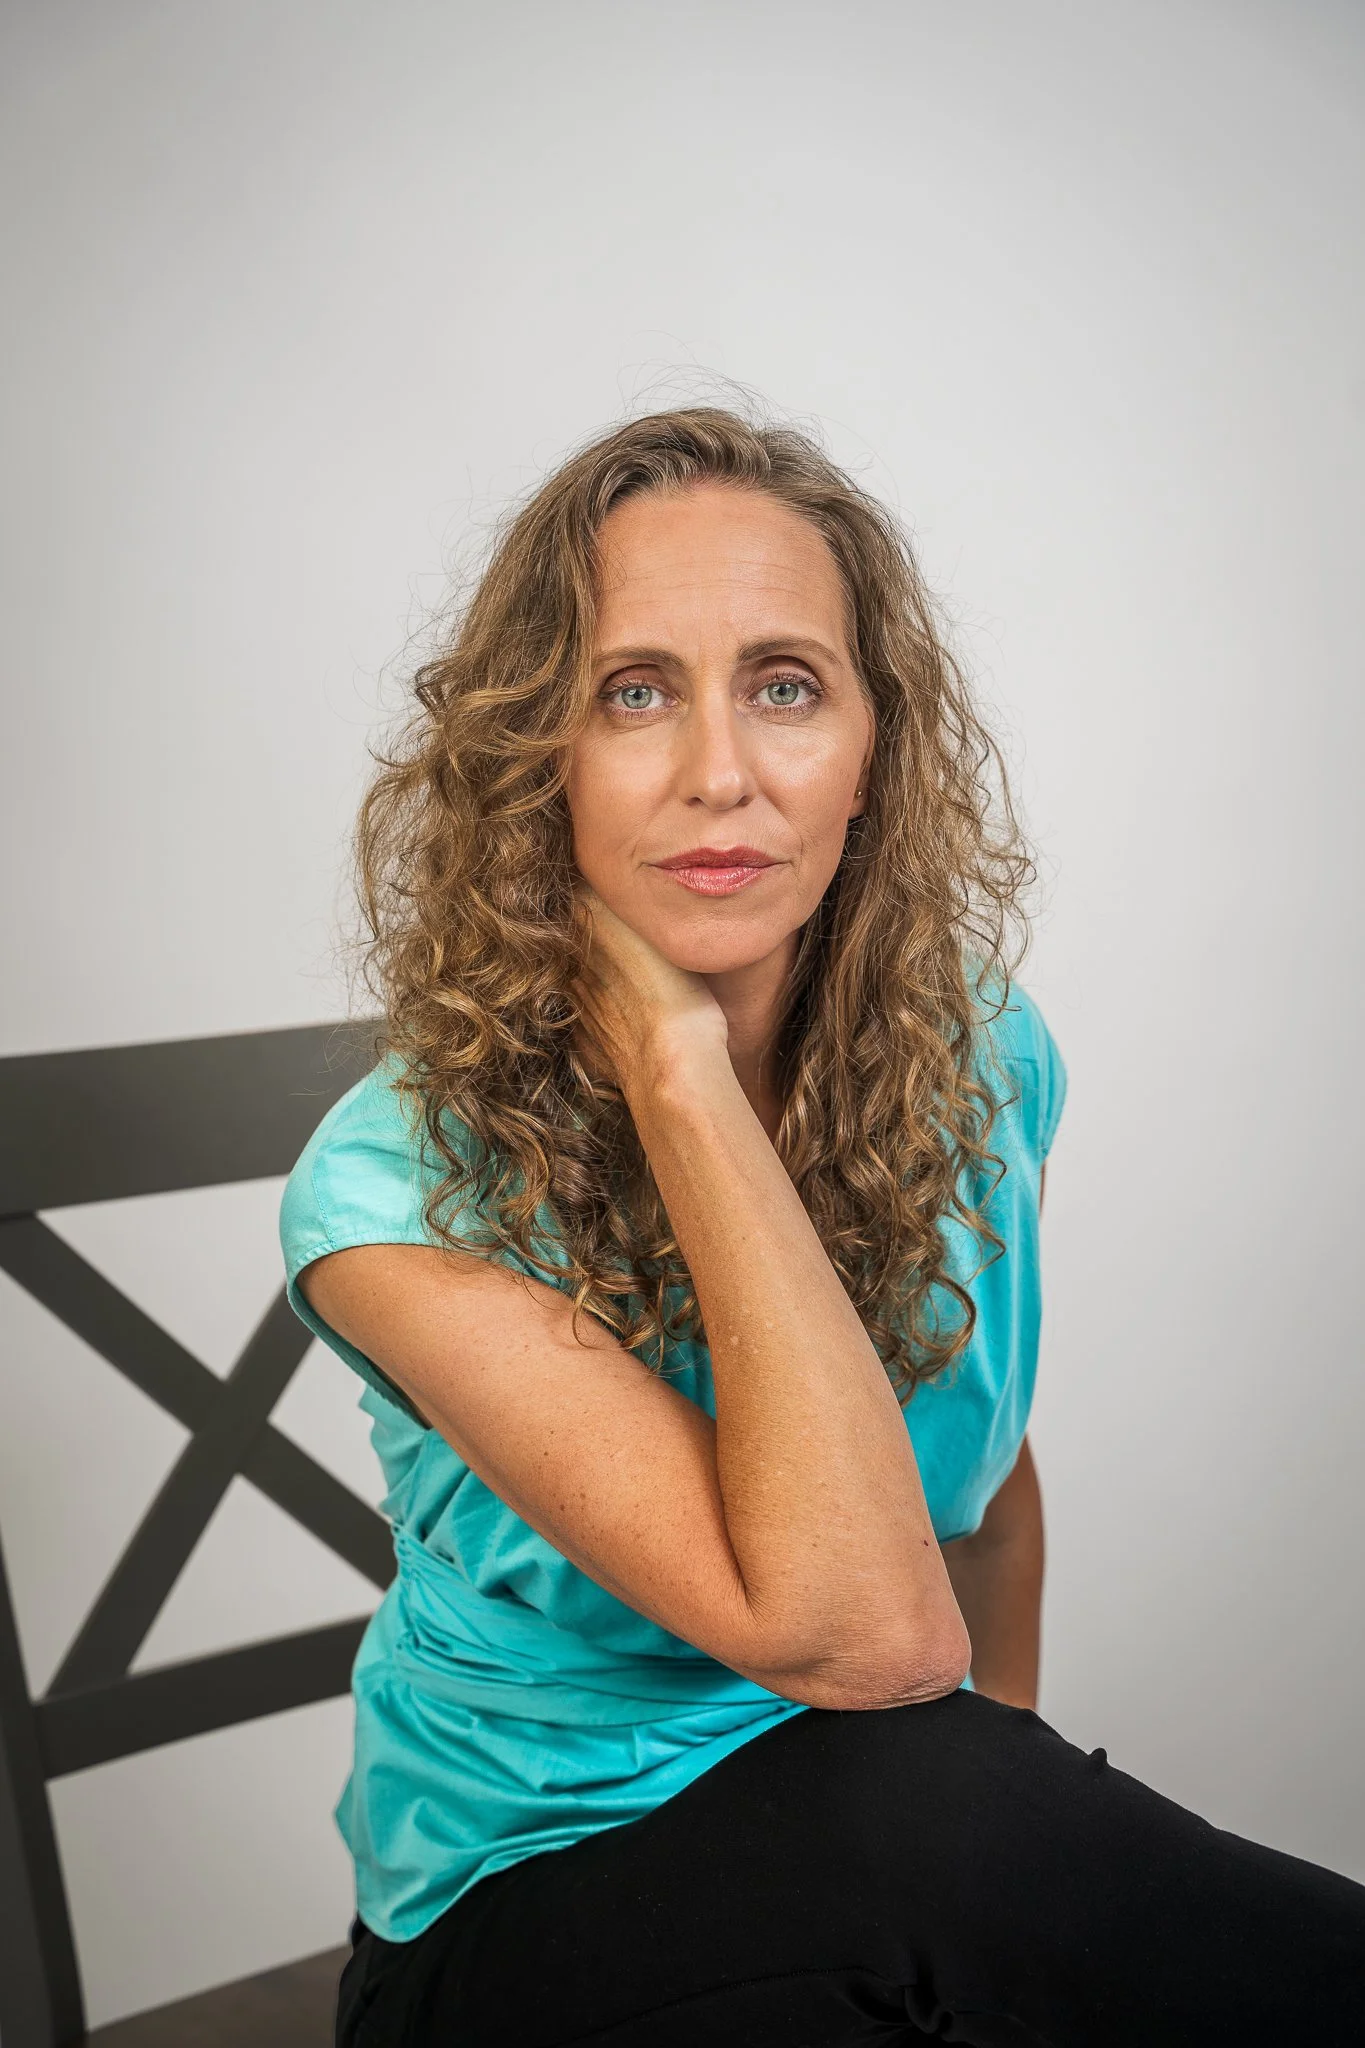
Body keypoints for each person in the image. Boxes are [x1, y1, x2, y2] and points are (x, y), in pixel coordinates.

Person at [279, 406, 1365, 2047]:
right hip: (526, 1913)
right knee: (939, 1813)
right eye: (632, 693)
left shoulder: (985, 1060)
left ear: (875, 749)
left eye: (785, 684)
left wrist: (1017, 1848)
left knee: (949, 1823)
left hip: (904, 1854)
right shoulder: (389, 1191)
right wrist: (676, 1067)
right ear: (533, 758)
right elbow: (864, 1638)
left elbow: (984, 1505)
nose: (721, 771)